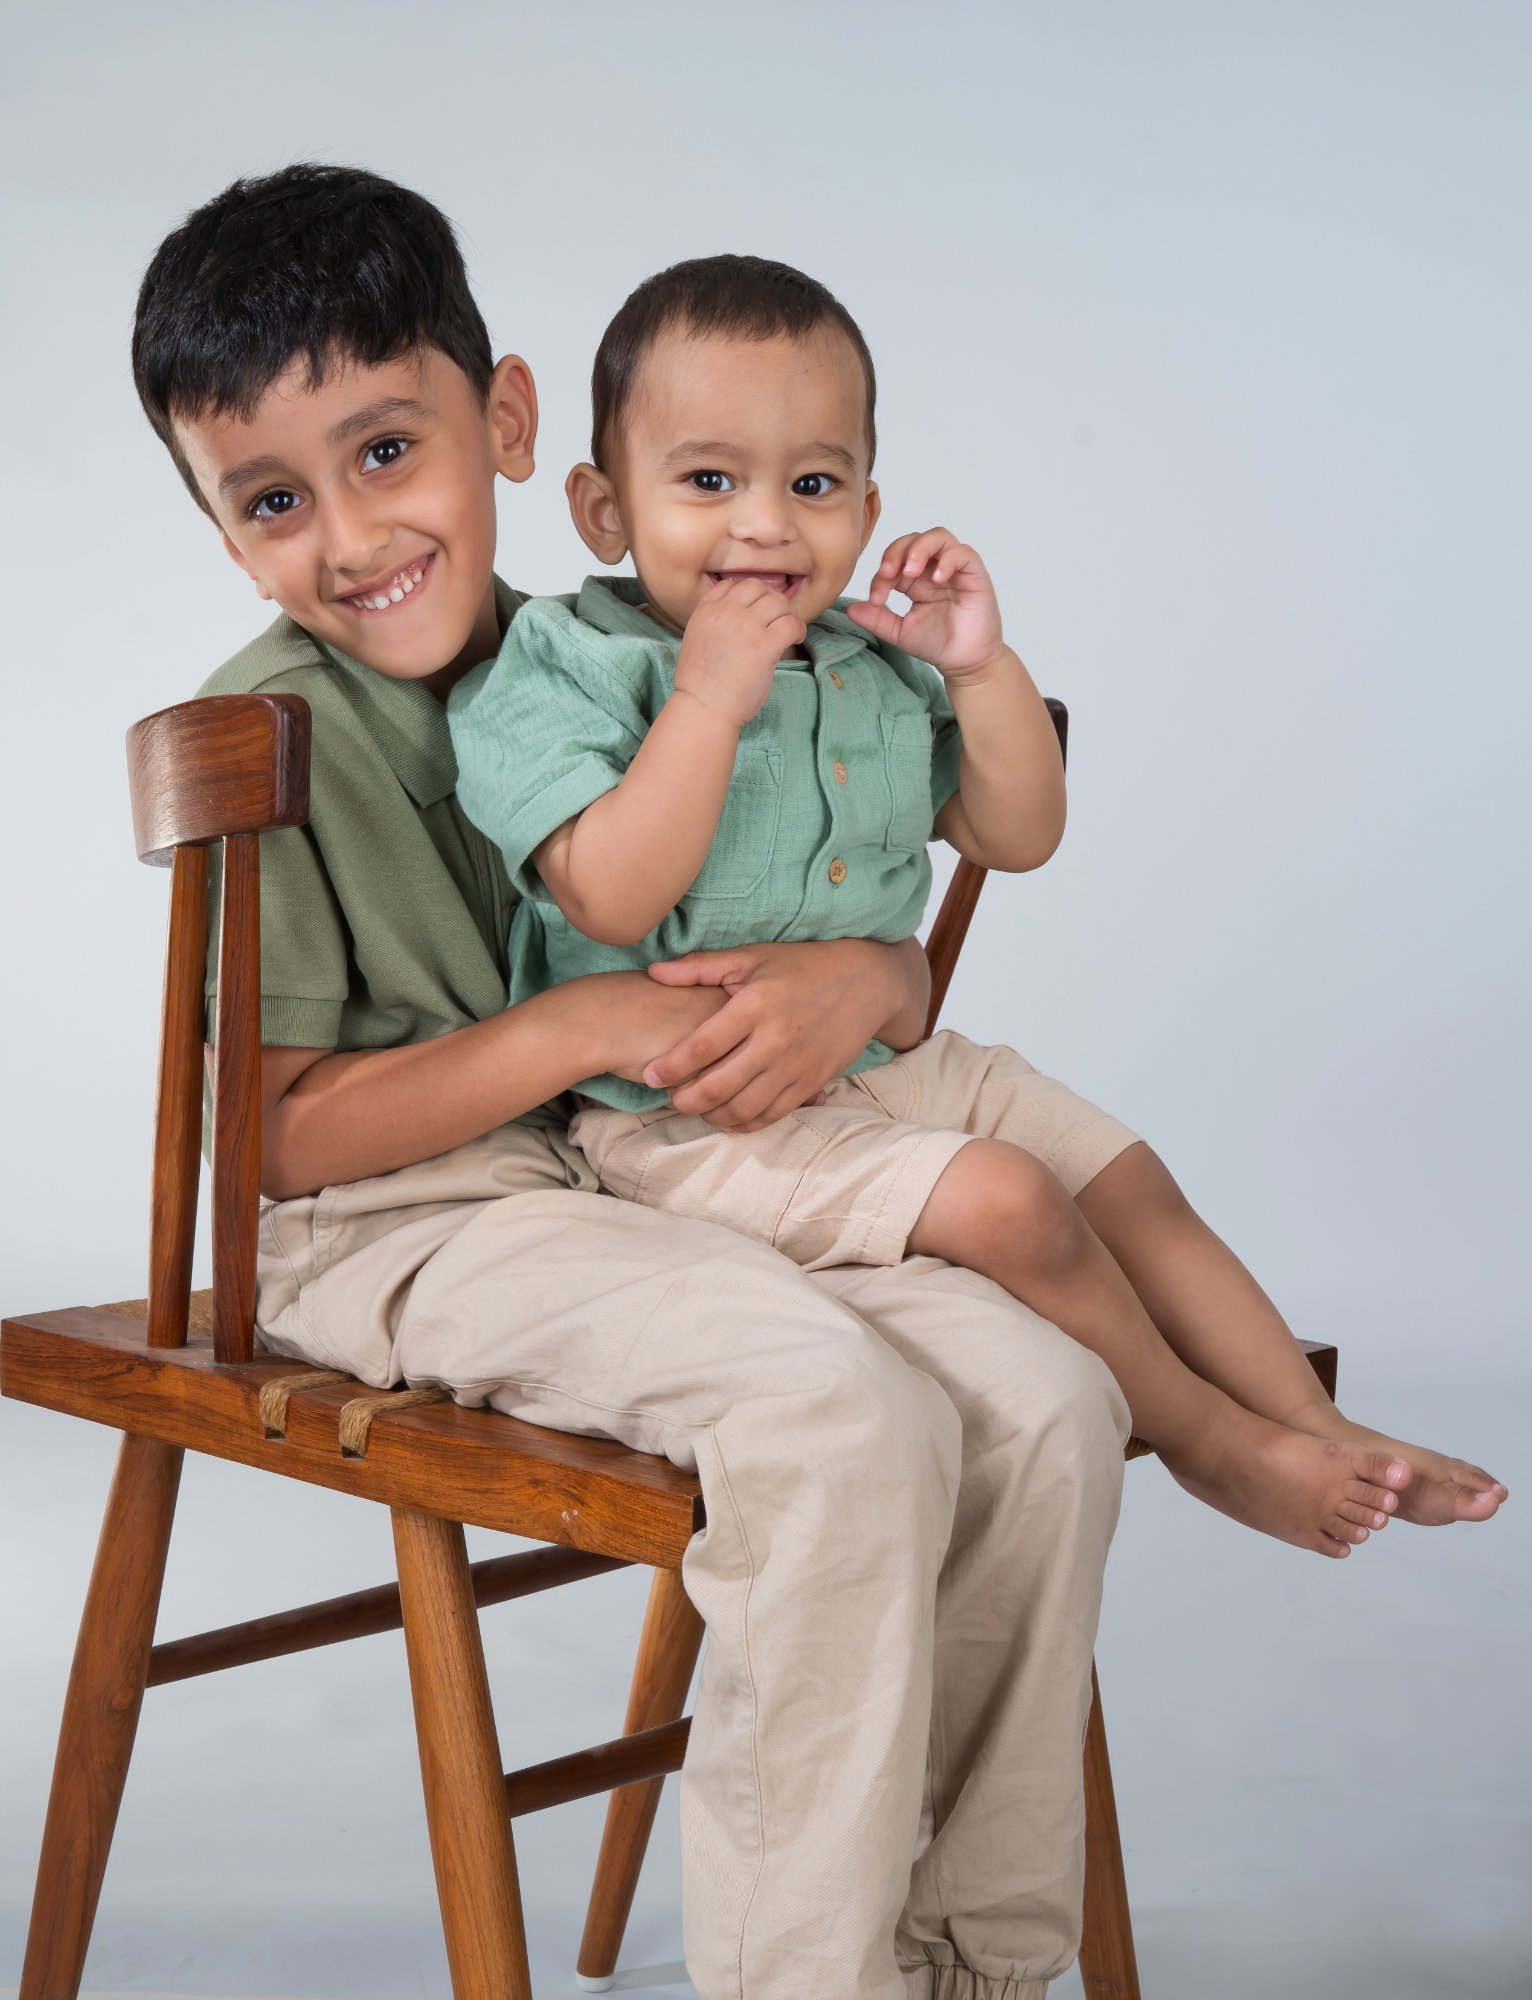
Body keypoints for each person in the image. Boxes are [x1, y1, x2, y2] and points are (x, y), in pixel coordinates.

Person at [133, 163, 1138, 2000]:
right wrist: (573, 1033)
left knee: (1046, 1401)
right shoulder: (277, 725)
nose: (355, 536)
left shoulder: (634, 650)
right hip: (390, 1223)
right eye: (276, 499)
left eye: (386, 451)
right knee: (837, 1414)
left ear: (507, 423)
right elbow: (268, 1142)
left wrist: (878, 968)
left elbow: (861, 893)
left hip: (654, 1176)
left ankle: (978, 1960)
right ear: (225, 530)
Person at [448, 254, 1507, 1559]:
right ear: (605, 509)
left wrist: (981, 664)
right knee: (1011, 1201)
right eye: (709, 480)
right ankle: (1209, 1439)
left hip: (893, 1064)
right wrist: (711, 696)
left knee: (1128, 1180)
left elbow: (1020, 833)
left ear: (868, 503)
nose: (768, 526)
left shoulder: (870, 660)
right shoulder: (570, 662)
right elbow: (609, 887)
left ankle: (1312, 1420)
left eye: (814, 484)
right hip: (688, 1124)